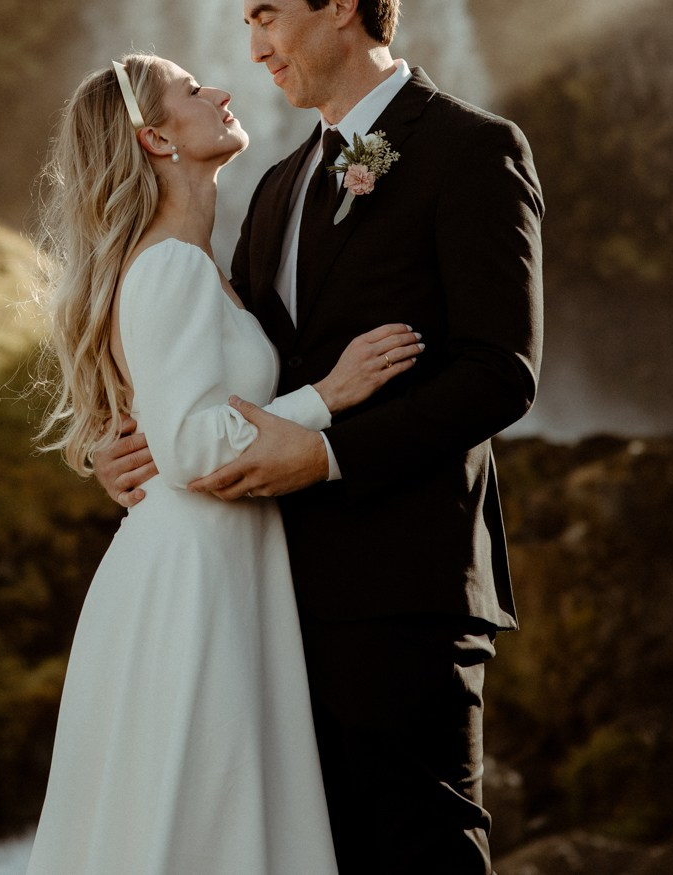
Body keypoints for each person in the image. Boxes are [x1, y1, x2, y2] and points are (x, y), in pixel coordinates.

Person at [95, 0, 545, 874]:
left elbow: (501, 372)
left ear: (341, 5)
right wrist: (125, 445)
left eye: (266, 16)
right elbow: (226, 370)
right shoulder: (276, 185)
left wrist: (329, 449)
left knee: (421, 848)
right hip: (262, 595)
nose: (252, 46)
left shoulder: (472, 150)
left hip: (404, 585)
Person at [25, 51, 425, 875]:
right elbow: (192, 447)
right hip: (195, 579)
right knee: (200, 823)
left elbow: (168, 424)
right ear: (155, 137)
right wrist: (328, 395)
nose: (220, 91)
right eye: (191, 90)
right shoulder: (171, 265)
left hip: (221, 562)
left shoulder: (201, 260)